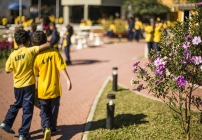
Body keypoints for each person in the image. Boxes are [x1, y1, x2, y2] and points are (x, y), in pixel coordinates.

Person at [0, 30, 50, 140]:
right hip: (29, 86)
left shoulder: (12, 55)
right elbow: (46, 45)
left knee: (17, 103)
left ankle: (6, 122)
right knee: (27, 109)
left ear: (16, 42)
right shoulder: (30, 51)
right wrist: (47, 41)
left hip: (17, 86)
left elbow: (8, 70)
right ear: (28, 41)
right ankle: (23, 133)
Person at [32, 31, 72, 139]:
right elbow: (61, 67)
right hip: (55, 89)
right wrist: (68, 80)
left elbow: (35, 73)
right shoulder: (54, 52)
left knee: (44, 111)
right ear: (46, 40)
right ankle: (53, 128)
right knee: (54, 111)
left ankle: (46, 128)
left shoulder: (36, 57)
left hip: (42, 90)